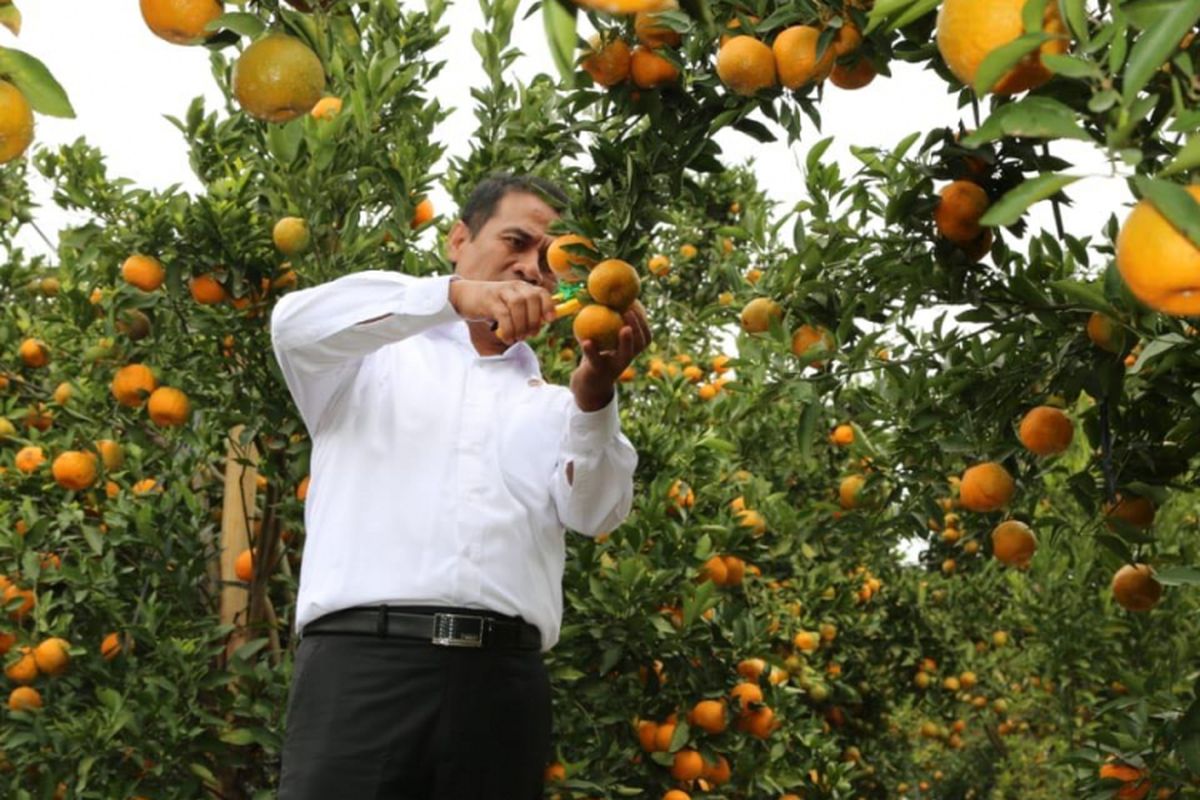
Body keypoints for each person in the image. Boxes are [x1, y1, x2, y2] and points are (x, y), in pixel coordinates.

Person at [270, 173, 651, 798]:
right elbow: (293, 325)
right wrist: (456, 298)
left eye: (550, 262)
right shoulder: (365, 363)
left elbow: (598, 512)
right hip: (361, 672)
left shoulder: (557, 406)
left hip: (502, 689)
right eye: (516, 241)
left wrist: (595, 396)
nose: (530, 268)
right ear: (458, 240)